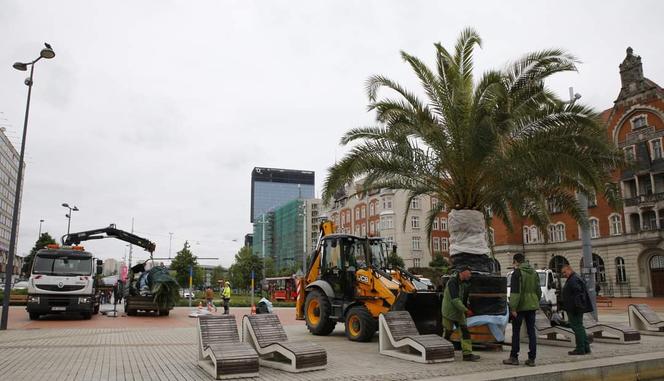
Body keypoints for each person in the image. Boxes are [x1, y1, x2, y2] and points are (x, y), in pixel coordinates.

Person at [503, 253, 541, 367]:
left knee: (516, 332)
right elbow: (538, 291)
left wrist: (513, 307)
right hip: (532, 306)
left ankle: (514, 357)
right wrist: (535, 301)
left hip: (520, 307)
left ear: (516, 262)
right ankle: (532, 358)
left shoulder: (517, 273)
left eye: (513, 262)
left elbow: (515, 293)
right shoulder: (534, 272)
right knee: (531, 333)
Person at [442, 266, 479, 362]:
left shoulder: (465, 283)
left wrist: (467, 307)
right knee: (448, 332)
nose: (470, 275)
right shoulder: (452, 282)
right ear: (462, 272)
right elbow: (455, 300)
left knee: (465, 332)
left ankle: (467, 354)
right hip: (449, 311)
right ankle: (442, 352)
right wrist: (466, 310)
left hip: (459, 311)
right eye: (469, 273)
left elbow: (464, 297)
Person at [561, 264, 593, 355]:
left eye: (564, 272)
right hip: (576, 307)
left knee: (577, 327)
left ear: (569, 269)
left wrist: (575, 307)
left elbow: (577, 294)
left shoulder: (573, 279)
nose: (564, 274)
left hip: (574, 308)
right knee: (579, 327)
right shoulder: (574, 278)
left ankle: (580, 348)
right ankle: (586, 347)